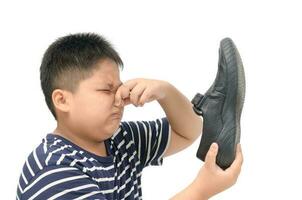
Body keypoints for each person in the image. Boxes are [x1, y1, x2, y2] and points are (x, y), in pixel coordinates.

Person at [16, 33, 243, 200]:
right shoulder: (52, 171)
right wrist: (201, 190)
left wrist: (165, 92)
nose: (119, 99)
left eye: (119, 89)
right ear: (62, 100)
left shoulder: (120, 139)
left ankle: (213, 109)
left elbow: (188, 131)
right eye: (106, 90)